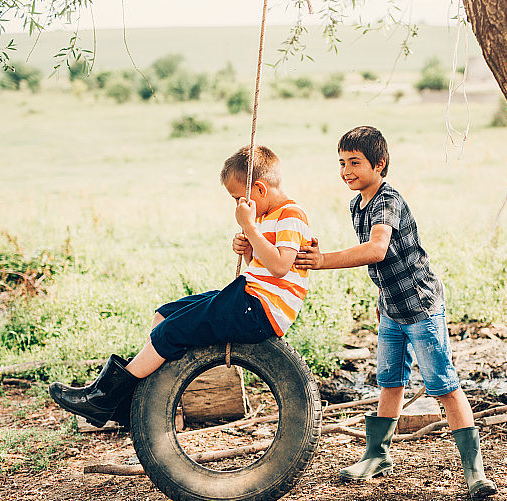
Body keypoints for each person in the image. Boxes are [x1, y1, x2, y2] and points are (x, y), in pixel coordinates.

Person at [295, 126, 497, 499]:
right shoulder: (358, 204)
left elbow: (377, 250)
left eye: (355, 163)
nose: (346, 171)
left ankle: (475, 471)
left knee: (444, 386)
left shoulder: (388, 200)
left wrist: (322, 261)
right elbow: (379, 267)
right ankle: (377, 455)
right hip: (391, 309)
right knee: (389, 381)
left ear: (380, 163)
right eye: (341, 163)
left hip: (421, 307)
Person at [49, 145, 312, 428]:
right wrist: (247, 247)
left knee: (171, 332)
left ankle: (104, 398)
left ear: (259, 189)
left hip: (262, 310)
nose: (238, 206)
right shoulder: (263, 216)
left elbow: (281, 266)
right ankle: (132, 403)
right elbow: (259, 266)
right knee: (166, 314)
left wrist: (249, 228)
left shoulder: (291, 216)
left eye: (239, 198)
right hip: (248, 297)